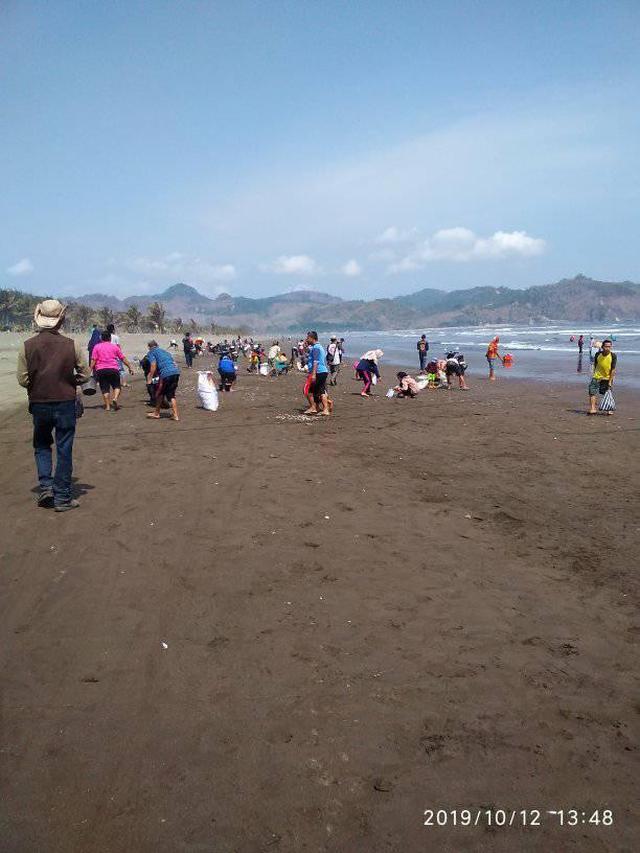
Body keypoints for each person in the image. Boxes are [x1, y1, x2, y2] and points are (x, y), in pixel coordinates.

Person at [17, 299, 90, 511]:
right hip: (65, 402)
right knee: (64, 448)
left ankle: (46, 488)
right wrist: (69, 382)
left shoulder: (27, 346)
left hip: (39, 403)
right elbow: (85, 375)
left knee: (41, 445)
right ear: (61, 319)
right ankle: (63, 498)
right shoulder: (72, 344)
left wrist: (39, 384)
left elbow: (23, 380)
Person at [90, 330, 134, 411]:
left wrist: (89, 370)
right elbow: (122, 358)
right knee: (117, 386)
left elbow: (93, 360)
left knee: (105, 388)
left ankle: (107, 406)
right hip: (113, 369)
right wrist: (130, 366)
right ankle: (115, 398)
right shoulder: (115, 347)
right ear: (110, 338)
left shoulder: (96, 347)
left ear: (101, 338)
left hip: (101, 370)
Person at [146, 340, 181, 421]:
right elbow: (174, 363)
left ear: (149, 347)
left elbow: (153, 365)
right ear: (157, 345)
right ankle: (175, 415)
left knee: (160, 393)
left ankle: (156, 413)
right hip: (176, 372)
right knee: (172, 395)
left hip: (166, 374)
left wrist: (150, 378)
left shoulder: (151, 352)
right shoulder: (165, 352)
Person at [304, 330, 331, 415]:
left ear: (312, 338)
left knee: (310, 391)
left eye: (308, 338)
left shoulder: (316, 347)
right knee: (319, 391)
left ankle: (317, 408)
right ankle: (320, 408)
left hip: (319, 372)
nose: (307, 339)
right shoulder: (317, 347)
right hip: (321, 371)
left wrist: (314, 374)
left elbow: (316, 361)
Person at [588, 339, 617, 416]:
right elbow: (596, 364)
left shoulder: (613, 356)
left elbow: (613, 369)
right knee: (592, 392)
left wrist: (610, 381)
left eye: (609, 347)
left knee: (607, 393)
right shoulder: (598, 354)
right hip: (596, 377)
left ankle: (609, 409)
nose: (608, 348)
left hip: (607, 378)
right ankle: (593, 408)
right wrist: (594, 374)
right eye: (606, 346)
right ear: (602, 347)